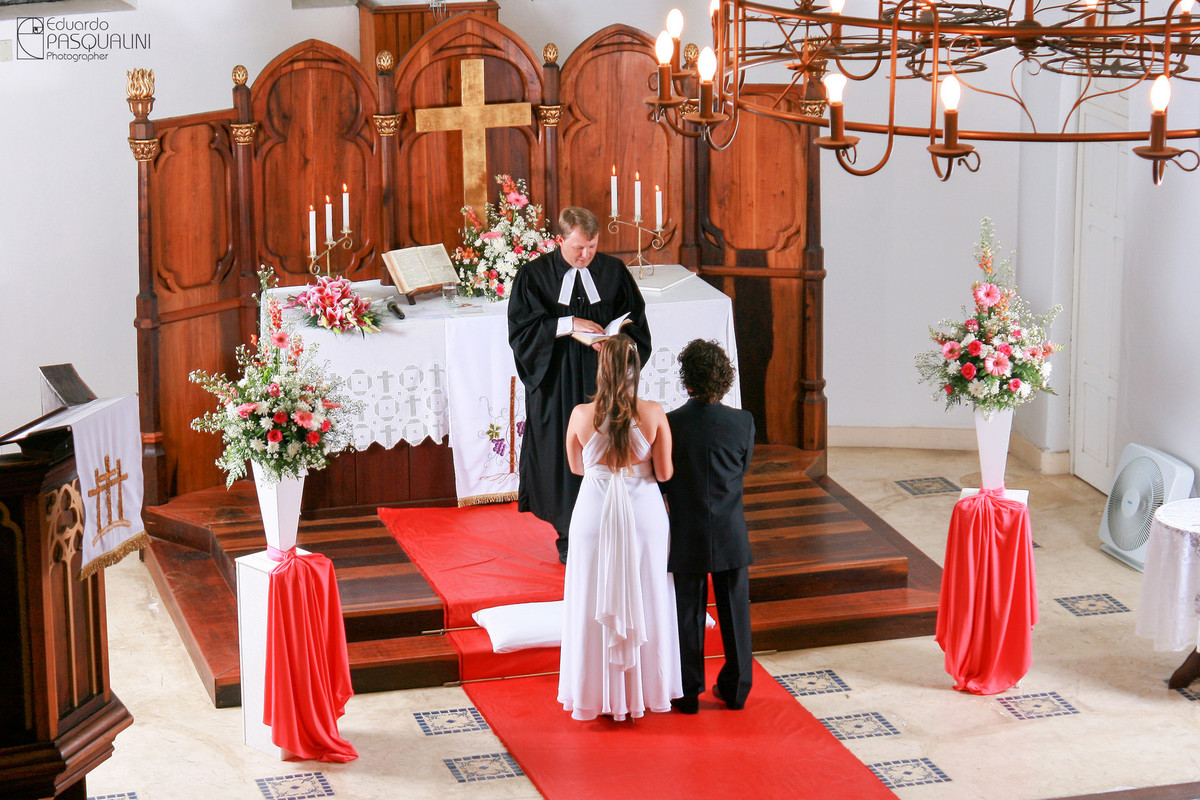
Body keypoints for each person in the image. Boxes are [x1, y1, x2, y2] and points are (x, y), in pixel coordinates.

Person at [508, 207, 651, 564]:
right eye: (577, 248)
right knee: (563, 452)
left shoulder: (614, 271)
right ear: (560, 241)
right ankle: (569, 533)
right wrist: (569, 323)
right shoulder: (534, 275)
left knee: (606, 447)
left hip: (603, 377)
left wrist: (616, 339)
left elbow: (635, 319)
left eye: (592, 247)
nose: (585, 255)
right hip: (556, 380)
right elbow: (522, 332)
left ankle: (610, 526)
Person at [557, 334, 681, 721]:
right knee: (648, 592)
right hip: (643, 510)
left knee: (590, 594)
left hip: (594, 510)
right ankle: (648, 690)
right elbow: (664, 472)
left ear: (601, 370)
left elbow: (578, 468)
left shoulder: (580, 415)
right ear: (636, 369)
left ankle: (591, 694)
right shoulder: (655, 412)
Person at [662, 339, 755, 713]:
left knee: (687, 614)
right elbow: (742, 470)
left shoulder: (671, 424)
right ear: (725, 380)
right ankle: (736, 690)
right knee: (737, 614)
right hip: (731, 531)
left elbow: (663, 479)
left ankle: (688, 693)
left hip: (687, 531)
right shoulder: (742, 421)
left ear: (687, 380)